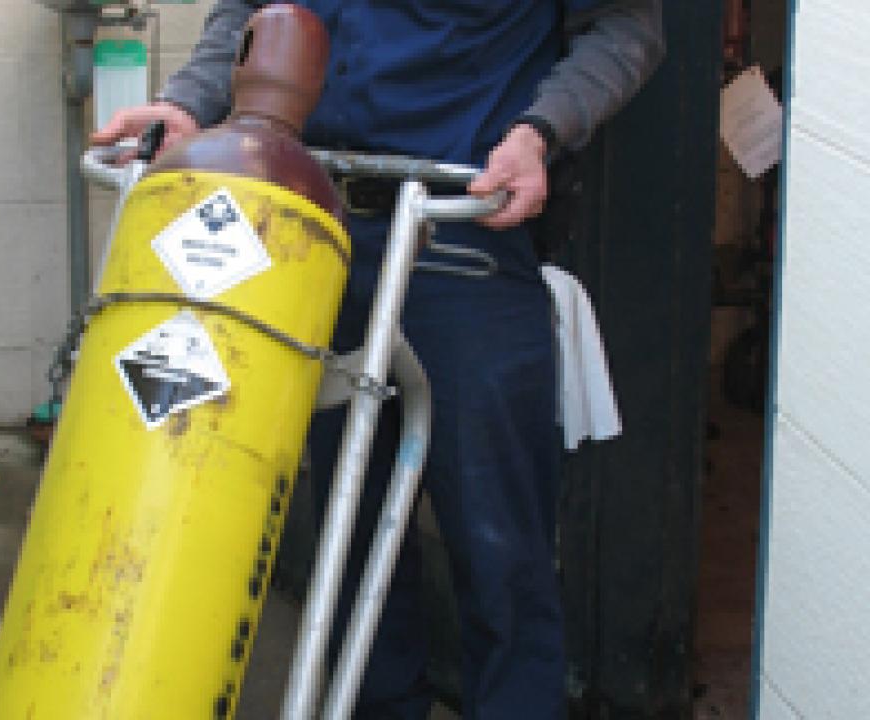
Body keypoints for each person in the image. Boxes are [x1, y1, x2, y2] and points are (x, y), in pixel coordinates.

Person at [94, 2, 664, 717]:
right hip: (319, 227)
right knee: (348, 530)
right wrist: (189, 103)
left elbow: (625, 29)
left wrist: (539, 132)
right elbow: (251, 11)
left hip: (462, 229)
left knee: (498, 547)